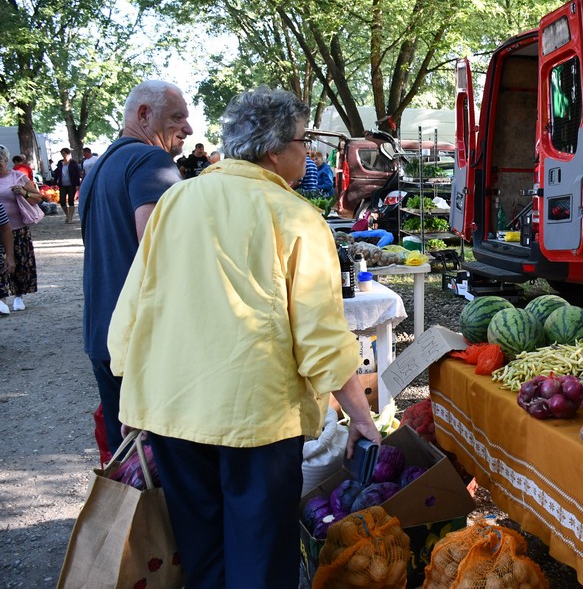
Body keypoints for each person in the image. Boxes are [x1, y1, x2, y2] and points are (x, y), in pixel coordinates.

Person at [108, 86, 381, 588]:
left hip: (173, 410)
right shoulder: (296, 216)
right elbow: (321, 337)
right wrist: (360, 417)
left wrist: (132, 400)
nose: (310, 153)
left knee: (202, 551)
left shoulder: (175, 202)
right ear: (276, 150)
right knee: (261, 560)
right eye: (304, 141)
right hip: (256, 421)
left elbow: (134, 306)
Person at [79, 80, 192, 454]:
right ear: (144, 115)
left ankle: (122, 515)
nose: (188, 130)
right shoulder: (151, 161)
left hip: (103, 333)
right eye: (178, 118)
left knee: (126, 459)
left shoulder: (99, 166)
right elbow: (162, 253)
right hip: (142, 339)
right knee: (162, 463)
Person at [0, 145, 42, 315]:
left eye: (0, 161)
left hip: (18, 228)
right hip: (0, 228)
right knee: (1, 262)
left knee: (20, 262)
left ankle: (19, 295)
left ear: (6, 161)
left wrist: (24, 193)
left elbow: (38, 198)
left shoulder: (18, 177)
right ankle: (2, 298)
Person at [52, 148, 81, 223]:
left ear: (68, 154)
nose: (63, 155)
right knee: (62, 201)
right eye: (62, 153)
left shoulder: (73, 163)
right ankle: (67, 215)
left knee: (71, 201)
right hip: (62, 184)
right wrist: (54, 183)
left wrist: (78, 184)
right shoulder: (60, 163)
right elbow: (57, 173)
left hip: (71, 184)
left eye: (64, 153)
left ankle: (71, 218)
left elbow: (77, 174)